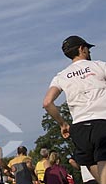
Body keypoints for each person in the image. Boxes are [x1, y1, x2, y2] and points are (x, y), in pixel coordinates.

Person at [43, 36, 106, 184]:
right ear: (81, 49)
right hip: (102, 121)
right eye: (88, 49)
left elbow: (47, 102)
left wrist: (63, 124)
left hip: (79, 126)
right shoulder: (99, 66)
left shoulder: (61, 76)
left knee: (90, 163)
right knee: (103, 160)